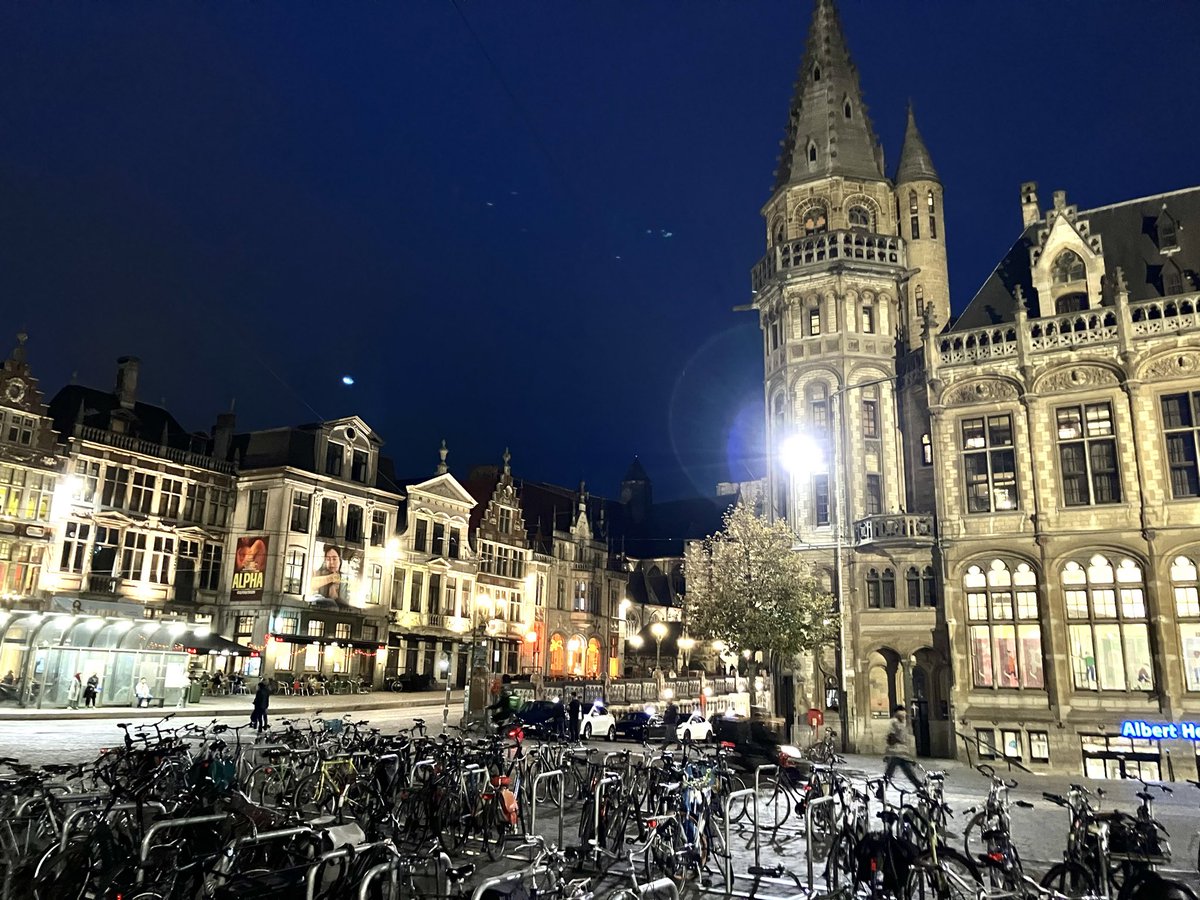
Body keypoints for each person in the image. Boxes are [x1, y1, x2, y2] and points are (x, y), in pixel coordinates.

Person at [883, 705, 922, 789]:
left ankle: (881, 791)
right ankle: (920, 787)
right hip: (898, 754)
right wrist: (900, 741)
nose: (903, 716)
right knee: (908, 774)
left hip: (899, 754)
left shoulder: (898, 723)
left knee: (890, 774)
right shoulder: (898, 723)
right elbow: (892, 737)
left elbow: (893, 737)